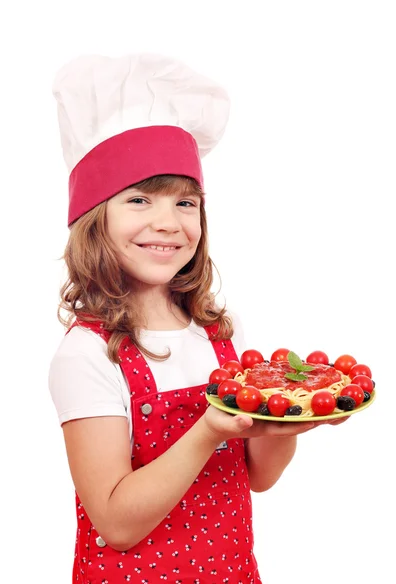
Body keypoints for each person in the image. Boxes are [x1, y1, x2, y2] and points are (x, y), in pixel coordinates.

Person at [49, 53, 346, 584]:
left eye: (186, 202)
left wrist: (286, 424)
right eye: (140, 199)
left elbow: (257, 477)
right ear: (93, 218)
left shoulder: (220, 335)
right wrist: (207, 431)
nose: (168, 223)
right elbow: (116, 523)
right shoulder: (88, 353)